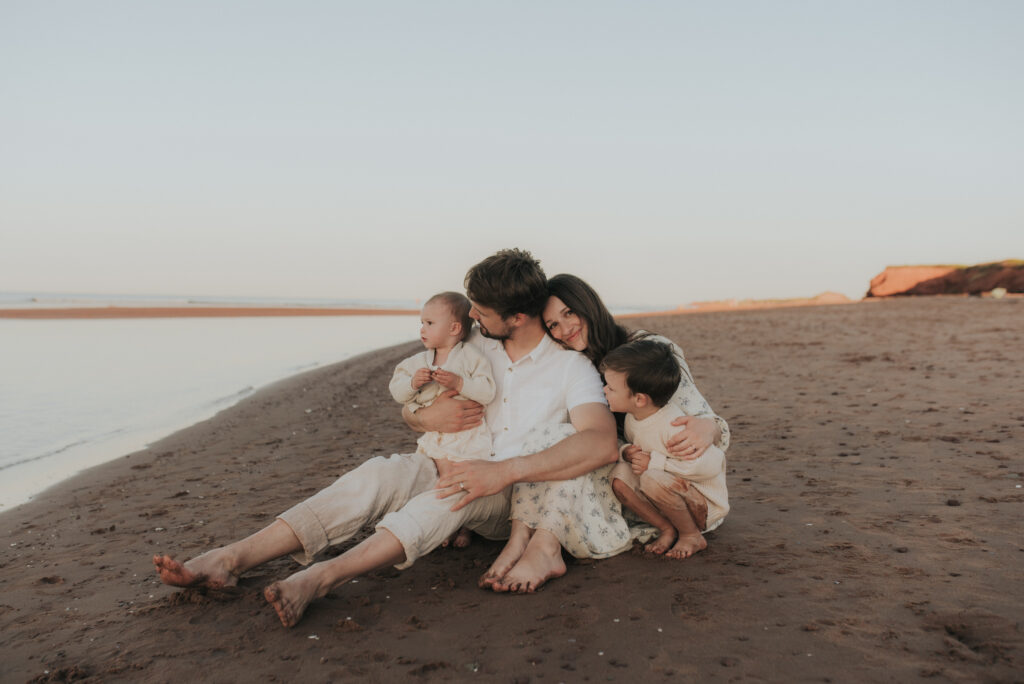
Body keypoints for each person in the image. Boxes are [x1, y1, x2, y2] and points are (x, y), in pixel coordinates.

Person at [153, 249, 617, 627]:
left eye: (481, 310)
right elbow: (410, 407)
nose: (470, 315)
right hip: (441, 459)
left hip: (508, 497)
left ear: (516, 316)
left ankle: (322, 578)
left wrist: (501, 472)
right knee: (376, 475)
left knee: (444, 498)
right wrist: (425, 417)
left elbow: (599, 443)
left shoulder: (568, 368)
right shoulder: (472, 346)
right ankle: (229, 559)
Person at [601, 338, 729, 558]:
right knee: (619, 476)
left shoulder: (673, 425)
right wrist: (628, 452)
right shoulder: (635, 418)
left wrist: (656, 463)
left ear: (639, 399)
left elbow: (712, 464)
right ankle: (667, 528)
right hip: (669, 497)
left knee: (652, 477)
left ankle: (691, 535)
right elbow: (639, 447)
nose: (604, 390)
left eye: (611, 388)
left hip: (703, 505)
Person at [389, 291, 495, 547]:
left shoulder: (471, 358)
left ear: (455, 328)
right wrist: (413, 383)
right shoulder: (417, 362)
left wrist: (460, 382)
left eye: (429, 323)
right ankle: (447, 523)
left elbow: (488, 391)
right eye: (421, 323)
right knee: (441, 479)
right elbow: (397, 391)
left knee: (460, 479)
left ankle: (465, 524)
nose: (422, 329)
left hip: (466, 433)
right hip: (437, 434)